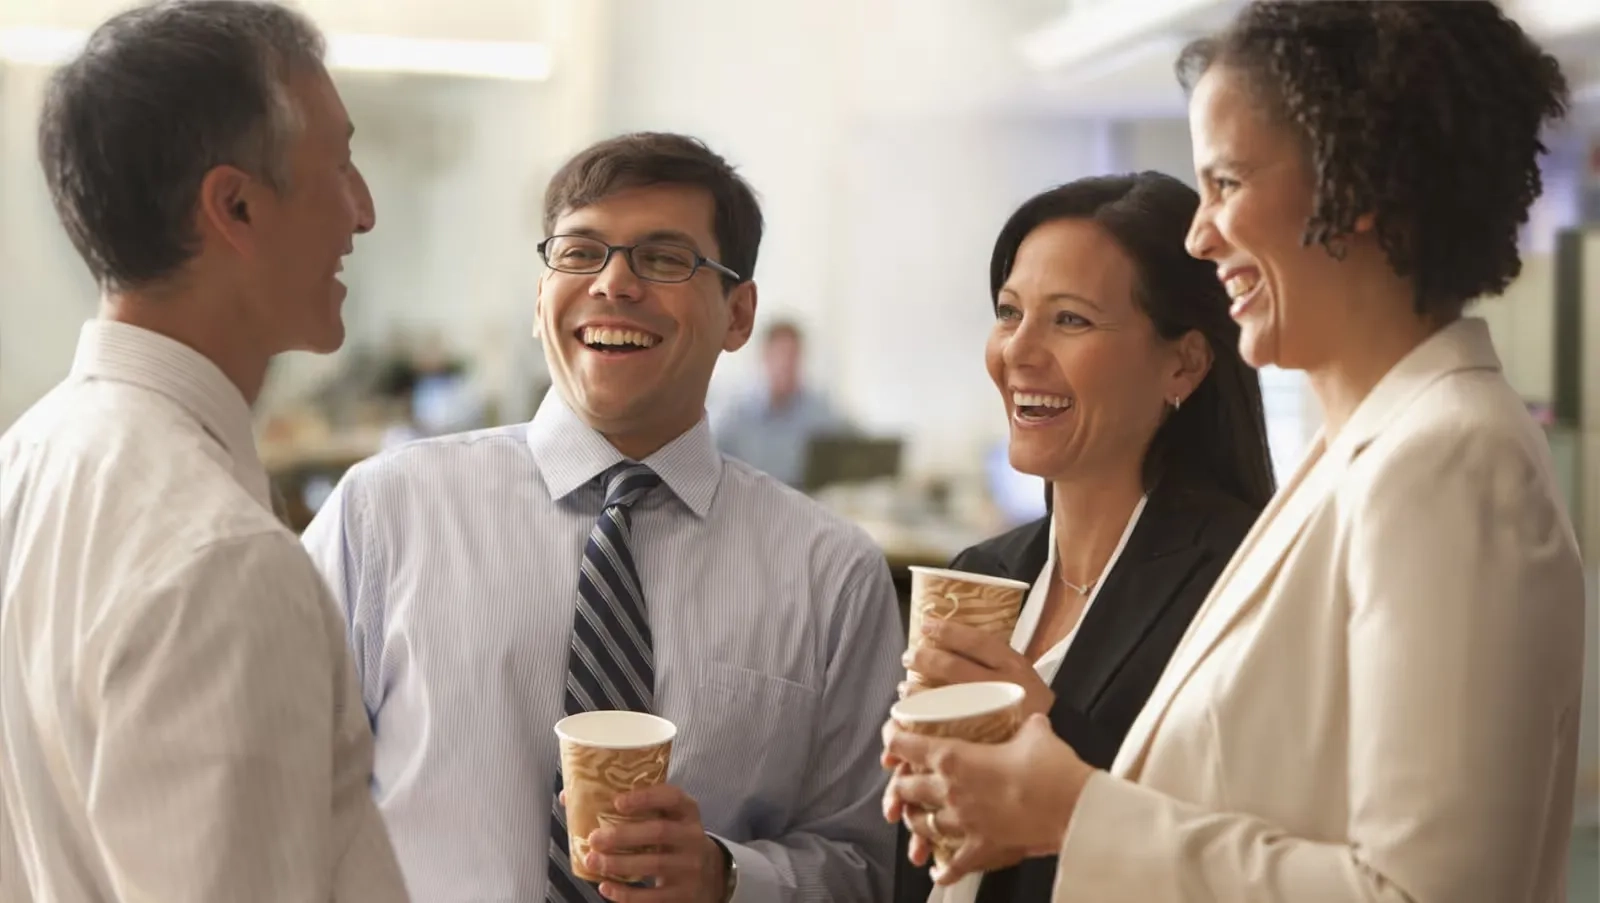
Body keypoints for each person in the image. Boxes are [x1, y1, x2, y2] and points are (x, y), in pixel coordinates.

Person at [882, 3, 1587, 902]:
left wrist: (1074, 810)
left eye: (1226, 183)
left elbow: (1424, 892)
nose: (1199, 233)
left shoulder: (1445, 459)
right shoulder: (1357, 458)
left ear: (1355, 189)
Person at [301, 132, 903, 902]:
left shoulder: (831, 574)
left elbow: (866, 865)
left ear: (738, 314)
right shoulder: (384, 514)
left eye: (663, 258)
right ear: (539, 296)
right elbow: (274, 789)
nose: (614, 284)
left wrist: (729, 877)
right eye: (580, 253)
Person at [0, 2, 406, 901]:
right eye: (339, 163)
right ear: (235, 205)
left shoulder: (22, 466)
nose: (364, 210)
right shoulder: (223, 561)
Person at [892, 173, 1275, 903]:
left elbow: (1243, 852)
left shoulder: (1242, 580)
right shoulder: (986, 571)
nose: (1019, 351)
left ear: (1184, 363)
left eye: (1069, 320)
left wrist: (1048, 733)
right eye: (1009, 312)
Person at [713, 319, 852, 488]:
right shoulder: (735, 416)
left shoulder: (819, 411)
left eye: (793, 356)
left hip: (806, 504)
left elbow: (858, 446)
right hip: (752, 504)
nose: (786, 365)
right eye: (781, 355)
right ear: (765, 358)